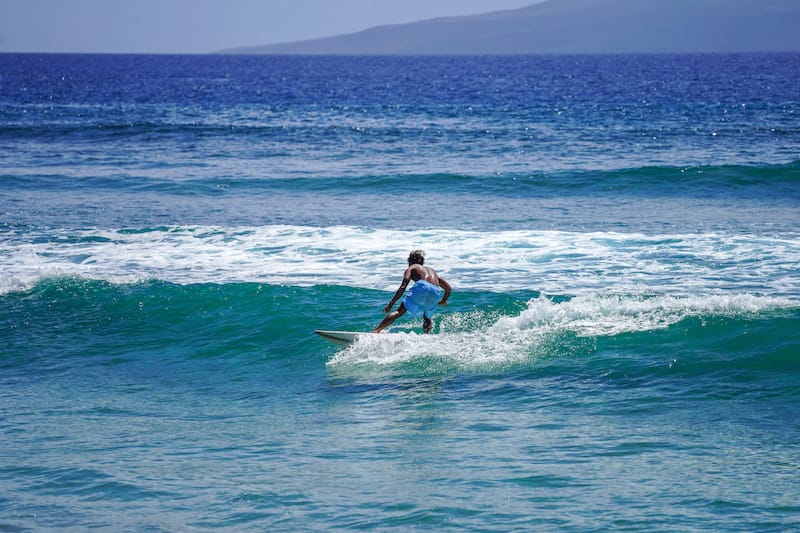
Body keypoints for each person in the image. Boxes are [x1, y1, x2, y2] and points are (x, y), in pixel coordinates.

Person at [373, 250, 451, 334]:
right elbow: (448, 288)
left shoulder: (412, 268)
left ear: (410, 261)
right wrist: (444, 300)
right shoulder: (432, 271)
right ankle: (426, 335)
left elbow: (403, 286)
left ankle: (376, 330)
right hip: (436, 291)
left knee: (399, 312)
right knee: (427, 317)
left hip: (422, 286)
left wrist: (391, 303)